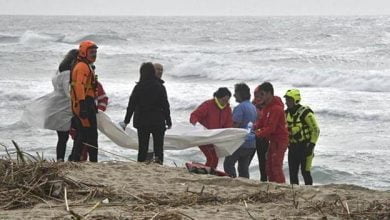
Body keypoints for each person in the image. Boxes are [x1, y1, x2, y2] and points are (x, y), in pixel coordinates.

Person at [121, 62, 172, 164]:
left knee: (142, 147)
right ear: (153, 72)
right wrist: (168, 121)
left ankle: (140, 165)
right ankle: (158, 164)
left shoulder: (138, 87)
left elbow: (131, 105)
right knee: (158, 147)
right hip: (158, 121)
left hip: (142, 121)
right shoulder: (160, 87)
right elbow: (165, 105)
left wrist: (126, 121)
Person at [69, 40, 99, 162]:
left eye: (95, 52)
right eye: (92, 52)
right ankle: (91, 161)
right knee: (89, 134)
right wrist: (83, 106)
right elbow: (79, 86)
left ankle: (76, 159)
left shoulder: (86, 66)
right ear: (83, 52)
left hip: (86, 102)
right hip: (83, 103)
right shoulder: (82, 67)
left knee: (84, 134)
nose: (94, 54)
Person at [190, 87, 233, 169]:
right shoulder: (208, 105)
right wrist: (197, 126)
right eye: (224, 100)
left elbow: (228, 124)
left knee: (214, 158)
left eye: (227, 100)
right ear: (218, 97)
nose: (226, 102)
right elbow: (194, 116)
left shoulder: (227, 109)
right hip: (203, 137)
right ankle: (208, 172)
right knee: (212, 157)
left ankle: (208, 171)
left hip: (215, 138)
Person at [254, 82, 289, 183]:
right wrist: (252, 128)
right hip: (272, 140)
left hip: (280, 141)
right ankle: (273, 185)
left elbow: (270, 128)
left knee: (276, 166)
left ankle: (281, 187)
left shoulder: (276, 109)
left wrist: (258, 133)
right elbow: (260, 123)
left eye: (262, 94)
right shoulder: (267, 107)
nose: (260, 97)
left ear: (269, 93)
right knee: (268, 165)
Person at [284, 89, 320, 185]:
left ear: (296, 100)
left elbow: (316, 130)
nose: (287, 102)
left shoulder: (306, 113)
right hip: (292, 147)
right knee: (292, 173)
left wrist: (312, 145)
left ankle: (309, 191)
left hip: (306, 147)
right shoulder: (286, 113)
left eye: (289, 100)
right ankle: (294, 194)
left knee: (305, 172)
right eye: (286, 100)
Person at [223, 83, 257, 178]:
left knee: (228, 164)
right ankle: (244, 183)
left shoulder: (240, 107)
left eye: (236, 93)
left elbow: (235, 125)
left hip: (240, 142)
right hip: (251, 142)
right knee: (243, 168)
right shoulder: (253, 107)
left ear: (241, 94)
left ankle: (232, 181)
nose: (234, 95)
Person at [252, 85, 269, 182]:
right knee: (247, 159)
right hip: (252, 135)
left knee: (263, 161)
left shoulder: (268, 106)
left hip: (263, 137)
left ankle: (264, 180)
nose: (258, 98)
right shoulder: (252, 105)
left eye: (260, 95)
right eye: (256, 95)